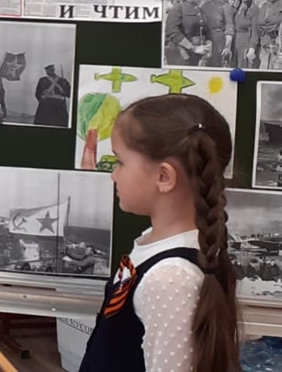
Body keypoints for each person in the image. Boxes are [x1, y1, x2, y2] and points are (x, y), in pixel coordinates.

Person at [81, 94, 238, 372]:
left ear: (164, 177)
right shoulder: (155, 244)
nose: (113, 174)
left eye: (120, 162)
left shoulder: (170, 279)